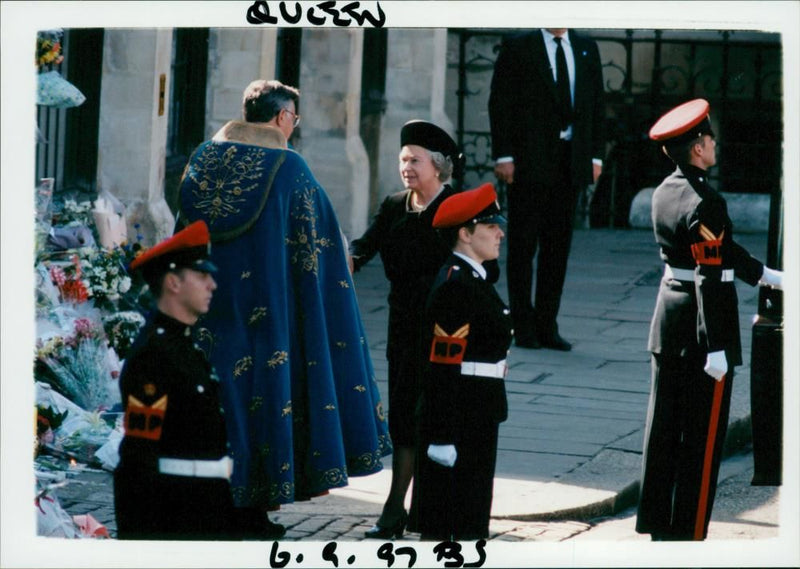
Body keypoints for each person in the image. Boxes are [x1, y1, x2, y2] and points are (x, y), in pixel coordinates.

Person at [175, 79, 391, 538]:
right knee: (264, 404)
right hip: (268, 314)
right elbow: (319, 245)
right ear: (280, 119)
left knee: (217, 407)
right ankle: (252, 510)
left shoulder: (201, 157)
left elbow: (182, 233)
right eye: (294, 117)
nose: (294, 126)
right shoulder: (289, 167)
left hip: (205, 309)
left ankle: (212, 505)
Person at [636, 99, 784, 541]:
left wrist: (766, 274)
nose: (715, 143)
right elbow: (711, 276)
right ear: (698, 148)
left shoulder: (666, 191)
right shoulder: (709, 201)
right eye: (710, 138)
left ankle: (657, 522)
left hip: (669, 318)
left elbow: (714, 254)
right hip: (702, 332)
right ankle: (688, 531)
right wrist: (717, 344)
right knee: (700, 438)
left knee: (663, 428)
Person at [349, 120, 464, 539]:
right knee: (402, 416)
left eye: (414, 160)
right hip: (403, 327)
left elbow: (485, 265)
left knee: (431, 417)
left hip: (445, 331)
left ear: (437, 166)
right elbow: (366, 244)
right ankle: (401, 505)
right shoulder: (395, 204)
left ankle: (404, 509)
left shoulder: (458, 209)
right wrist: (348, 258)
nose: (407, 167)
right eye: (402, 160)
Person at [114, 220, 239, 540]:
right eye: (201, 276)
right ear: (173, 282)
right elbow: (139, 455)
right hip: (176, 515)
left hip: (207, 508)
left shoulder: (184, 347)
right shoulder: (153, 356)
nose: (212, 285)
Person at [488, 28, 605, 351]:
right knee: (524, 246)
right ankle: (522, 325)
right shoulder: (519, 46)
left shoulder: (585, 47)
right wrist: (504, 155)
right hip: (528, 162)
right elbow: (501, 101)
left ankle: (547, 325)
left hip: (570, 162)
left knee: (558, 247)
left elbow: (596, 102)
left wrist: (595, 155)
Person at [408, 182, 511, 541]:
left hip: (478, 408)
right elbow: (442, 366)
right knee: (452, 524)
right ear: (465, 234)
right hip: (461, 414)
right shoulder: (456, 285)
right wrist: (441, 436)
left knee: (471, 517)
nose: (500, 233)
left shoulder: (474, 277)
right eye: (490, 226)